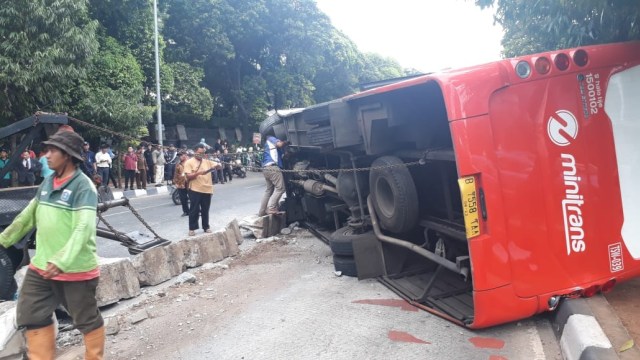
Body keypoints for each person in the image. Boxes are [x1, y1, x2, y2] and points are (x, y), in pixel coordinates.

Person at [0, 130, 105, 359]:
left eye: (52, 150)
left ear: (67, 155)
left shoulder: (83, 187)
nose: (46, 155)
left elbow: (83, 229)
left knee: (86, 320)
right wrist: (3, 239)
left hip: (75, 269)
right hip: (43, 267)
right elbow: (28, 215)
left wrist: (62, 260)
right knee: (31, 313)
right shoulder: (48, 181)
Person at [184, 143, 219, 236]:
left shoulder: (207, 160)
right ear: (195, 152)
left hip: (207, 189)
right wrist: (198, 173)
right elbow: (188, 176)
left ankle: (206, 227)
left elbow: (219, 166)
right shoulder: (189, 162)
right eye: (200, 152)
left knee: (205, 209)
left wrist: (218, 165)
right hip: (195, 189)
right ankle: (192, 228)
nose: (201, 154)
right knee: (194, 209)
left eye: (203, 152)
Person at [258, 136, 286, 216]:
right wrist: (286, 142)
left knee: (269, 191)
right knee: (280, 188)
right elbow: (280, 144)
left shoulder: (270, 147)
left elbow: (283, 155)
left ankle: (262, 211)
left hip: (266, 168)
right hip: (272, 168)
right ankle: (272, 208)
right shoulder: (271, 138)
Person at [172, 150, 191, 216]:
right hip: (181, 183)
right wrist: (175, 183)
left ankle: (196, 211)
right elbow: (176, 174)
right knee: (183, 199)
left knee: (193, 198)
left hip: (190, 183)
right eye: (179, 156)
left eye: (181, 155)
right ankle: (186, 211)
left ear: (185, 155)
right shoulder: (178, 164)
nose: (180, 157)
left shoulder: (190, 162)